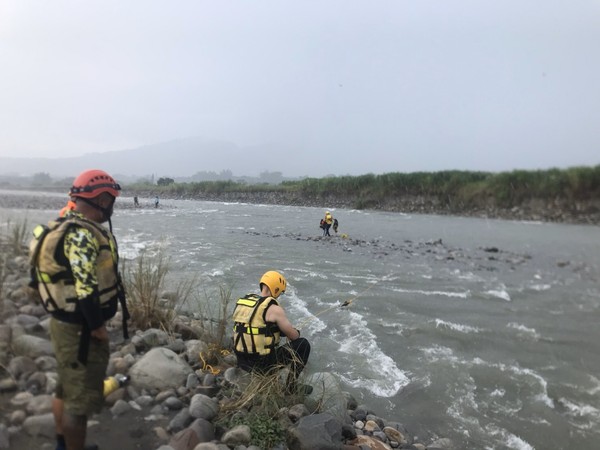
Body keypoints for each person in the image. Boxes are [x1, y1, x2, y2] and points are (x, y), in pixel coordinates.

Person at [29, 169, 129, 450]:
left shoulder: (64, 223)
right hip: (81, 332)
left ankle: (63, 443)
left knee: (65, 386)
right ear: (102, 199)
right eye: (111, 200)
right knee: (79, 404)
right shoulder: (83, 235)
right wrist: (98, 328)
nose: (112, 206)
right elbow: (86, 290)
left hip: (63, 324)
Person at [232, 271, 311, 392]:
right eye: (280, 292)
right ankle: (291, 387)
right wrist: (297, 332)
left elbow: (256, 328)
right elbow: (294, 337)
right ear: (276, 289)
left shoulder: (245, 302)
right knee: (303, 344)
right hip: (261, 366)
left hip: (242, 361)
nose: (279, 295)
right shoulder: (274, 309)